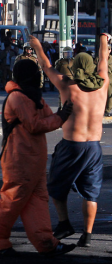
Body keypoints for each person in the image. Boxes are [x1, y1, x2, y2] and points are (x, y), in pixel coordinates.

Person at [29, 33, 111, 248]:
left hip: (71, 145)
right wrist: (103, 39)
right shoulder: (103, 84)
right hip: (94, 146)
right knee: (90, 192)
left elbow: (46, 66)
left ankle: (64, 223)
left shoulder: (67, 85)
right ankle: (88, 235)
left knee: (56, 187)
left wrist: (37, 46)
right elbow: (103, 59)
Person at [0, 59, 75, 257]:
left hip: (33, 161)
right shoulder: (17, 97)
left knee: (37, 202)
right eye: (36, 74)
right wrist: (60, 116)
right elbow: (35, 125)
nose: (39, 77)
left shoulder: (32, 97)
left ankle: (46, 242)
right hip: (19, 160)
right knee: (12, 200)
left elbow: (47, 119)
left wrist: (60, 114)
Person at [96, 45, 112, 116]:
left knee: (111, 96)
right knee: (102, 96)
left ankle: (108, 111)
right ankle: (102, 110)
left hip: (111, 80)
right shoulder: (98, 59)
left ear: (110, 51)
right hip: (101, 81)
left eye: (107, 50)